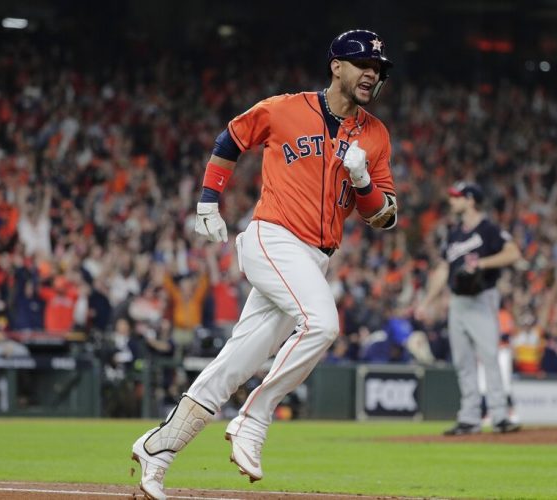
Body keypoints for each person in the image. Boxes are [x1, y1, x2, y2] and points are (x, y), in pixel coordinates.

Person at [131, 29, 397, 499]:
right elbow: (231, 137)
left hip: (315, 259)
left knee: (233, 364)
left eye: (378, 69)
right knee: (321, 324)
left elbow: (384, 216)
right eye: (362, 64)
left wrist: (362, 181)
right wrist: (209, 200)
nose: (371, 74)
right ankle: (254, 418)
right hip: (272, 237)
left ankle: (160, 447)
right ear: (336, 65)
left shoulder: (375, 135)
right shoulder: (285, 108)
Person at [415, 181, 522, 435]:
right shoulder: (454, 234)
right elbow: (443, 269)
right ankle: (470, 417)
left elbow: (513, 253)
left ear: (471, 199)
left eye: (457, 196)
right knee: (463, 361)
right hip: (458, 301)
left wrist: (482, 263)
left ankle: (499, 416)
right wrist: (427, 301)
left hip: (482, 297)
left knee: (489, 358)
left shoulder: (488, 229)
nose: (452, 201)